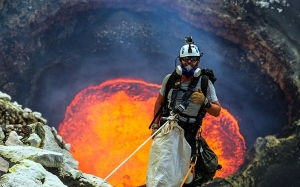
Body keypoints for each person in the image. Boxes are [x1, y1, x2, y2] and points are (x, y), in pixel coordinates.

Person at [150, 37, 221, 186]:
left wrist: (205, 102)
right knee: (162, 161)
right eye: (186, 59)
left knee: (186, 169)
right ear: (180, 60)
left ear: (198, 62)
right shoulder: (169, 79)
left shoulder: (205, 83)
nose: (189, 63)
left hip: (190, 130)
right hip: (168, 127)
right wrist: (155, 126)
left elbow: (217, 111)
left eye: (193, 60)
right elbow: (159, 102)